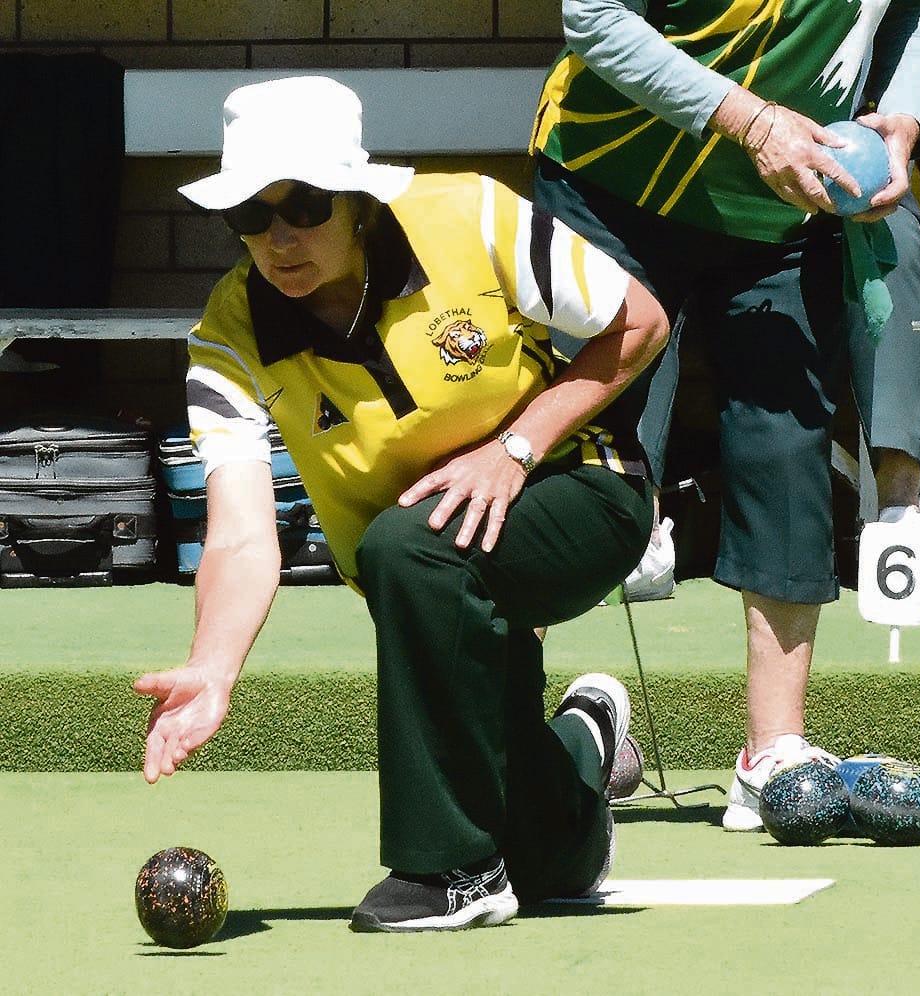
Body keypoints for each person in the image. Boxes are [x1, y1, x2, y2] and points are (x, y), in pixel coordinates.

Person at [132, 75, 669, 931]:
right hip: (431, 573)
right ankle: (585, 746)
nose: (279, 238)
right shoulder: (227, 336)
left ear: (358, 204)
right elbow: (238, 533)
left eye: (305, 205)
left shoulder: (474, 217)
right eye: (250, 215)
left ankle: (452, 872)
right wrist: (213, 665)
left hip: (579, 488)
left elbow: (640, 322)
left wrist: (512, 450)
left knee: (407, 547)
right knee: (550, 863)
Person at [531, 0, 920, 830]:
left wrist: (903, 116)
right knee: (566, 453)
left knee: (786, 445)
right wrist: (752, 122)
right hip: (615, 181)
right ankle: (502, 736)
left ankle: (772, 753)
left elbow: (913, 8)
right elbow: (594, 17)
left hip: (789, 198)